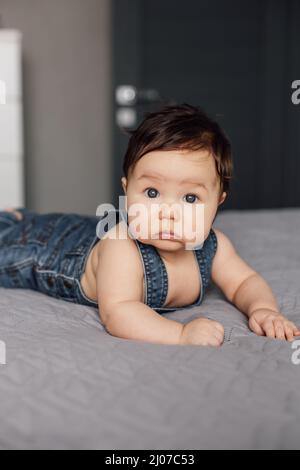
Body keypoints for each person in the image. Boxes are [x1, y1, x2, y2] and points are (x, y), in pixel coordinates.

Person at [1, 103, 299, 346]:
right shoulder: (123, 248)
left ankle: (20, 217)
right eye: (152, 193)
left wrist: (263, 309)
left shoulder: (215, 246)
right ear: (126, 189)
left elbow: (245, 282)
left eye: (191, 198)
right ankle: (16, 220)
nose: (168, 212)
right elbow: (119, 311)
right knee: (16, 242)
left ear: (218, 201)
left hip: (88, 234)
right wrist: (180, 334)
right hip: (53, 250)